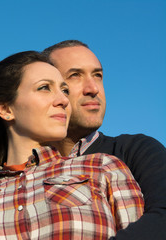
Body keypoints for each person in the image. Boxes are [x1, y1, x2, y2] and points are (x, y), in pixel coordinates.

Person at [0, 51, 144, 239]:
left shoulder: (103, 168)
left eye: (64, 90)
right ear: (6, 108)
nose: (64, 100)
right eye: (45, 87)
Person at [42, 40, 166, 240]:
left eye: (98, 76)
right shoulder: (19, 171)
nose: (93, 88)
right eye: (75, 76)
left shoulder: (136, 150)